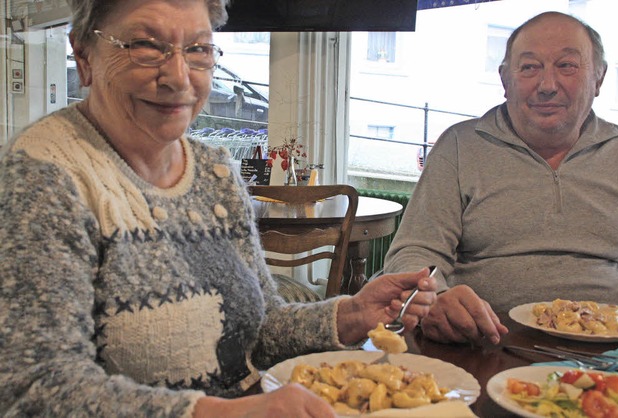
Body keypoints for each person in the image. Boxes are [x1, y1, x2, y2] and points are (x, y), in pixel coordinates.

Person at [0, 0, 438, 417]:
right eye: (147, 46)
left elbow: (260, 331)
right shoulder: (43, 174)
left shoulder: (215, 172)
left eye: (198, 49)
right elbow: (35, 386)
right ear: (84, 53)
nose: (178, 76)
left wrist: (353, 313)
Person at [384, 11, 618, 346]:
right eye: (529, 67)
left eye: (567, 66)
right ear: (506, 80)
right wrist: (436, 299)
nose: (547, 86)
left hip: (609, 353)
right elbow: (415, 251)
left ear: (599, 78)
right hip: (482, 345)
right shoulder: (459, 146)